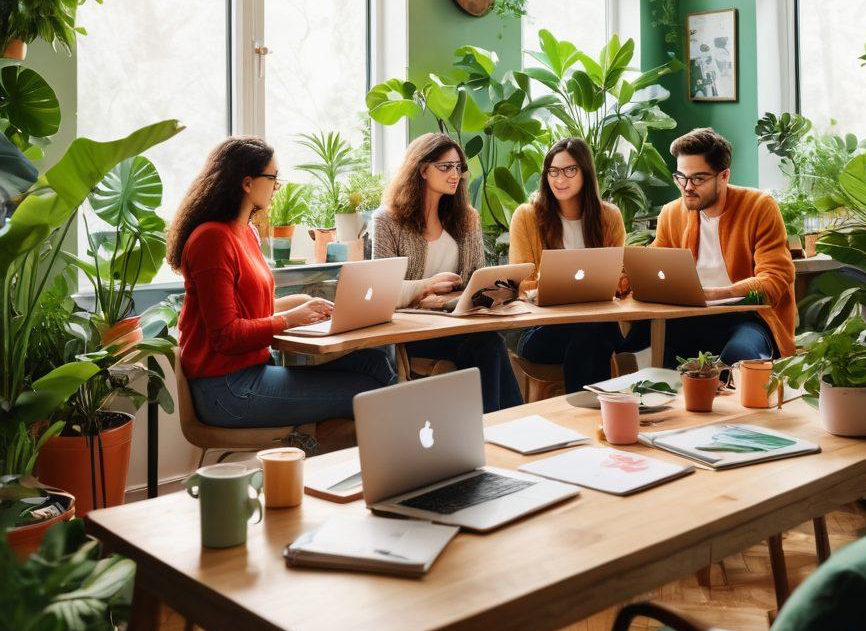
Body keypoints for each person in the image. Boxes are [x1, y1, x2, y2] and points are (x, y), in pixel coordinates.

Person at [169, 136, 395, 429]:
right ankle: (405, 455)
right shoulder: (211, 239)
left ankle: (404, 448)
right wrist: (288, 319)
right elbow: (226, 334)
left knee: (372, 363)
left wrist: (303, 304)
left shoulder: (246, 232)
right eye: (273, 178)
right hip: (227, 389)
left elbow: (249, 312)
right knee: (368, 393)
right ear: (247, 183)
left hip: (255, 371)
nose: (277, 186)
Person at [373, 133, 523, 412]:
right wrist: (424, 288)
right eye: (445, 167)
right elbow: (382, 291)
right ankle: (506, 426)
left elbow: (478, 280)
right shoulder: (387, 220)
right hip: (414, 332)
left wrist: (452, 300)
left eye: (458, 167)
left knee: (489, 343)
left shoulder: (466, 218)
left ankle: (497, 427)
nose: (455, 174)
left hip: (457, 323)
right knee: (488, 345)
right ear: (422, 169)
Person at [648, 127, 795, 366]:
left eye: (698, 179)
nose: (687, 187)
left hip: (748, 317)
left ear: (724, 176)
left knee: (739, 357)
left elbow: (775, 280)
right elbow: (654, 266)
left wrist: (716, 294)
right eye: (681, 177)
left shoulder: (760, 206)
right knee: (662, 357)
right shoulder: (671, 213)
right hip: (687, 318)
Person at [509, 137, 627, 392]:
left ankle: (585, 413)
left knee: (591, 333)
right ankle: (601, 411)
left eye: (569, 170)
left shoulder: (609, 217)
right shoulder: (527, 216)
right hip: (540, 329)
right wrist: (546, 285)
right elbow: (518, 285)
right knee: (594, 334)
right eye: (553, 171)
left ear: (585, 172)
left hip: (596, 324)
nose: (559, 179)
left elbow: (620, 278)